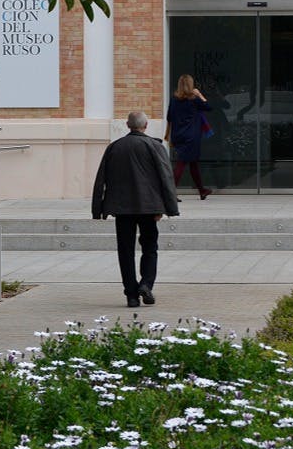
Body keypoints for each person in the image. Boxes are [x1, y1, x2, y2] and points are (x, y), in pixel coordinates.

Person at [91, 110, 180, 308]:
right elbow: (165, 178)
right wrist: (168, 207)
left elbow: (101, 179)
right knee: (150, 247)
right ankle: (146, 284)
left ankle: (131, 295)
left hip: (122, 209)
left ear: (127, 125)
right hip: (149, 207)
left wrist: (98, 209)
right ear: (146, 125)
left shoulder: (115, 147)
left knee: (125, 251)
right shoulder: (154, 146)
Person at [165, 73, 213, 199]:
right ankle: (170, 194)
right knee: (181, 163)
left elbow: (169, 117)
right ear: (191, 85)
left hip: (178, 135)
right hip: (191, 137)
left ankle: (202, 190)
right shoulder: (194, 99)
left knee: (193, 163)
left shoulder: (174, 99)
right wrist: (200, 94)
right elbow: (208, 107)